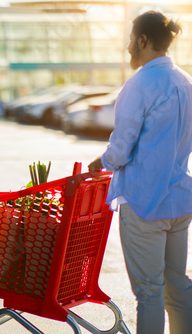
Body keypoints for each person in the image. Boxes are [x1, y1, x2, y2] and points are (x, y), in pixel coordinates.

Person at [89, 11, 192, 334]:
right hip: (179, 201)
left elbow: (120, 149)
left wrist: (100, 162)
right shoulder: (186, 82)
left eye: (131, 40)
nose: (128, 47)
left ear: (143, 41)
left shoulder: (139, 85)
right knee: (178, 286)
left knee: (149, 292)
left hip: (143, 202)